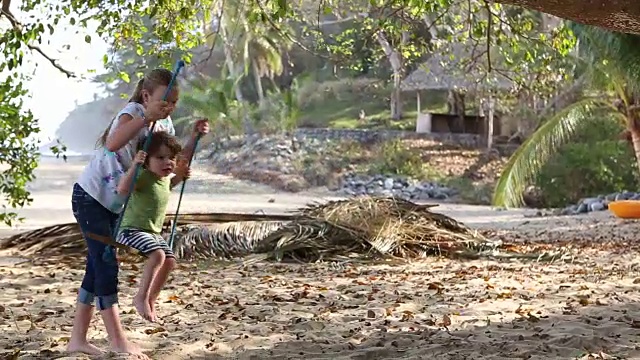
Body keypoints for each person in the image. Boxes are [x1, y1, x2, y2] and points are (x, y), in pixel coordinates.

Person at [67, 68, 209, 358]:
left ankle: (77, 340)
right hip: (90, 197)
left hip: (115, 204)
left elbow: (172, 162)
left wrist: (194, 136)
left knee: (96, 268)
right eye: (164, 101)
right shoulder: (133, 113)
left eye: (174, 102)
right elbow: (112, 144)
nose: (169, 107)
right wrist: (148, 116)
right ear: (146, 96)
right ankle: (118, 342)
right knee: (106, 263)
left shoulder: (164, 126)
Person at [115, 131, 188, 323]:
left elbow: (169, 185)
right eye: (161, 157)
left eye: (171, 158)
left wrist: (180, 175)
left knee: (170, 262)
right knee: (158, 255)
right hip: (130, 230)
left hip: (150, 232)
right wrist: (135, 166)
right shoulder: (143, 176)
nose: (168, 162)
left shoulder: (162, 180)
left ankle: (150, 299)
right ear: (147, 160)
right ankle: (140, 297)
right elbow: (122, 189)